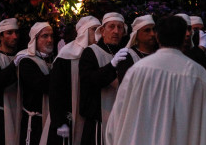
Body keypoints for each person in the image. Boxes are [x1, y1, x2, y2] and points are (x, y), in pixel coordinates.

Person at [105, 15, 206, 145]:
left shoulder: (137, 71)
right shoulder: (199, 75)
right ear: (184, 37)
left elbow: (118, 116)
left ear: (158, 37)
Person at [48, 15, 101, 145]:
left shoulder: (100, 54)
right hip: (68, 118)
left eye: (100, 30)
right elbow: (55, 90)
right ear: (84, 32)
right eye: (94, 29)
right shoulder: (66, 55)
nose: (98, 34)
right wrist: (60, 122)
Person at [79, 12, 129, 145]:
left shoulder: (125, 53)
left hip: (120, 120)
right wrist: (112, 65)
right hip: (98, 120)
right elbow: (90, 81)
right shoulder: (90, 52)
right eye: (111, 27)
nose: (116, 31)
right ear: (102, 30)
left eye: (120, 27)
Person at [17, 22, 54, 145]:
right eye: (45, 36)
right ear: (34, 39)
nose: (50, 40)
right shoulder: (26, 60)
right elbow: (42, 85)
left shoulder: (51, 60)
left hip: (50, 120)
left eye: (51, 36)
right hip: (34, 123)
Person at [115, 15, 156, 81]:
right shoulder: (127, 57)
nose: (152, 34)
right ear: (136, 35)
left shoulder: (159, 53)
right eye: (147, 30)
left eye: (153, 30)